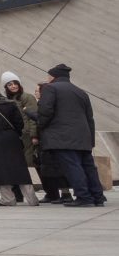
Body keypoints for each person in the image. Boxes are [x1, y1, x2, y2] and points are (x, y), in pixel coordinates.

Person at [36, 64, 106, 206]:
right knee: (88, 167)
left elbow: (45, 111)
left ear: (52, 76)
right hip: (83, 137)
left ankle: (83, 197)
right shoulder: (81, 92)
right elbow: (89, 118)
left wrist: (40, 125)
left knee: (72, 166)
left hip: (63, 137)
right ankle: (97, 197)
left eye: (48, 76)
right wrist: (91, 140)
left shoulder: (50, 88)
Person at [33, 83, 74, 203]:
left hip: (52, 140)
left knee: (57, 168)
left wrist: (30, 113)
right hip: (50, 140)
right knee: (52, 168)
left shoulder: (47, 105)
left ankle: (65, 194)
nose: (35, 93)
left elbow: (42, 120)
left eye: (37, 91)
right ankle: (59, 194)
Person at [3, 71, 40, 178]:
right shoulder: (9, 100)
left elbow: (34, 117)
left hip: (28, 135)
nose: (13, 86)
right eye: (10, 84)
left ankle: (48, 188)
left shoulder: (27, 97)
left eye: (15, 83)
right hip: (19, 136)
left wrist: (34, 135)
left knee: (35, 162)